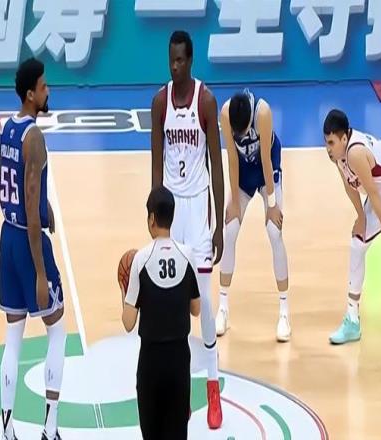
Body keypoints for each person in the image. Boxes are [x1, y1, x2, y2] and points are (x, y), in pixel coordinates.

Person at [150, 30, 224, 428]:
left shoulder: (206, 101)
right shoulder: (160, 101)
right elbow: (155, 161)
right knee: (172, 302)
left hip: (198, 209)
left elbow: (216, 164)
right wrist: (155, 212)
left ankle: (212, 385)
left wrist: (219, 227)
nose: (174, 67)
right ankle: (181, 389)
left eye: (180, 60)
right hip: (172, 209)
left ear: (191, 61)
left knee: (204, 303)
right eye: (170, 60)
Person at [0, 57, 66, 440]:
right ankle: (50, 429)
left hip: (7, 237)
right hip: (28, 242)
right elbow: (29, 195)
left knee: (13, 338)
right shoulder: (34, 137)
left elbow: (21, 186)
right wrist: (41, 272)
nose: (47, 91)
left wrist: (45, 206)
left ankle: (7, 431)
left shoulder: (8, 128)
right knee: (58, 330)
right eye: (43, 87)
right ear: (30, 94)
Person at [324, 109, 381, 366]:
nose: (328, 148)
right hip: (379, 196)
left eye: (331, 142)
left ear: (344, 138)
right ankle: (352, 321)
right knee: (356, 244)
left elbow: (373, 192)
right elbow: (349, 185)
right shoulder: (338, 155)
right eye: (326, 142)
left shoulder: (355, 153)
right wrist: (360, 218)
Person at [121, 185, 201, 440]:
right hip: (179, 360)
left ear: (152, 218)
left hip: (151, 362)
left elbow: (128, 322)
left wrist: (124, 290)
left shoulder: (140, 260)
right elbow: (196, 309)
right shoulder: (188, 255)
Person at [215, 89, 291, 341]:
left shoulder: (263, 112)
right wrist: (234, 203)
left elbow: (267, 160)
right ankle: (223, 308)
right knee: (230, 229)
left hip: (267, 166)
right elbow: (232, 159)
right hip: (243, 170)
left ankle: (284, 312)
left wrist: (272, 204)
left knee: (274, 231)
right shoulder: (225, 114)